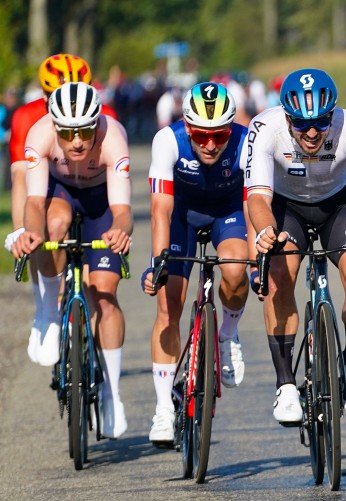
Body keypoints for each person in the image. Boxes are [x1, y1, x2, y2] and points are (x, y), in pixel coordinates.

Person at [244, 68, 346, 424]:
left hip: (339, 204)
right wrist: (266, 231)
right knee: (279, 276)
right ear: (286, 117)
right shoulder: (265, 128)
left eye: (321, 122)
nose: (312, 132)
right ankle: (285, 383)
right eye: (301, 124)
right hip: (286, 207)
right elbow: (257, 198)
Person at [11, 81, 132, 439]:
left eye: (84, 131)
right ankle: (49, 309)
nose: (77, 141)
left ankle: (111, 394)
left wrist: (121, 231)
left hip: (100, 199)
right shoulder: (39, 134)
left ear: (98, 122)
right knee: (53, 224)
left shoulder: (114, 138)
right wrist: (30, 235)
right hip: (61, 192)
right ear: (54, 126)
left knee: (105, 295)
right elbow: (34, 203)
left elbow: (122, 210)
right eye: (67, 132)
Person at [141, 82, 251, 446]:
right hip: (181, 215)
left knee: (235, 272)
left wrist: (255, 264)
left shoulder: (246, 141)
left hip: (228, 210)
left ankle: (228, 334)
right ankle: (163, 410)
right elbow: (160, 209)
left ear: (230, 127)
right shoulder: (167, 140)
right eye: (201, 135)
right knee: (168, 301)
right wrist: (159, 262)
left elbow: (253, 205)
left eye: (219, 135)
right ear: (187, 127)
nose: (209, 144)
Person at [4, 54, 118, 365]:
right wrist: (21, 232)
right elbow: (20, 180)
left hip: (94, 191)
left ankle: (97, 360)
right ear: (43, 96)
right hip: (52, 188)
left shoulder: (105, 115)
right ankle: (45, 307)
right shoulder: (27, 118)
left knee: (99, 287)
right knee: (46, 228)